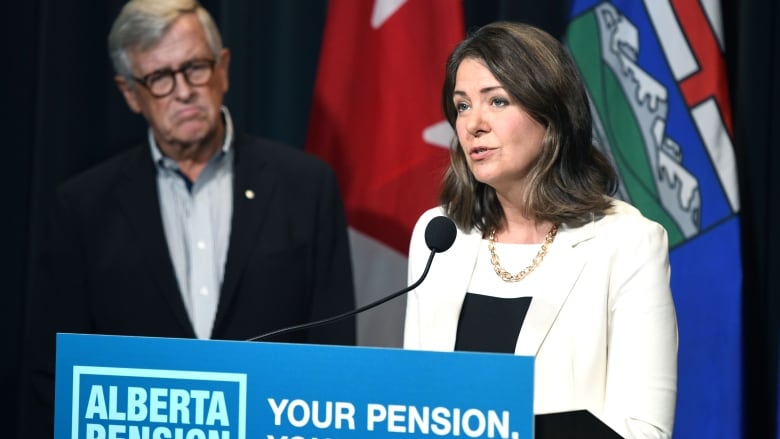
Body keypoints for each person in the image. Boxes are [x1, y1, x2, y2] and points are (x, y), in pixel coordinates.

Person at [18, 0, 356, 437]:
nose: (182, 90)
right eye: (159, 77)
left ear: (223, 68)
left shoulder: (305, 186)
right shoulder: (84, 207)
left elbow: (333, 353)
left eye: (195, 67)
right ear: (129, 93)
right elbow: (53, 374)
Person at [403, 21, 678, 438]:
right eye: (461, 106)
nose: (473, 123)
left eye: (496, 101)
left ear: (551, 113)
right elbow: (413, 412)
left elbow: (644, 430)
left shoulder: (626, 242)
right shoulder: (440, 236)